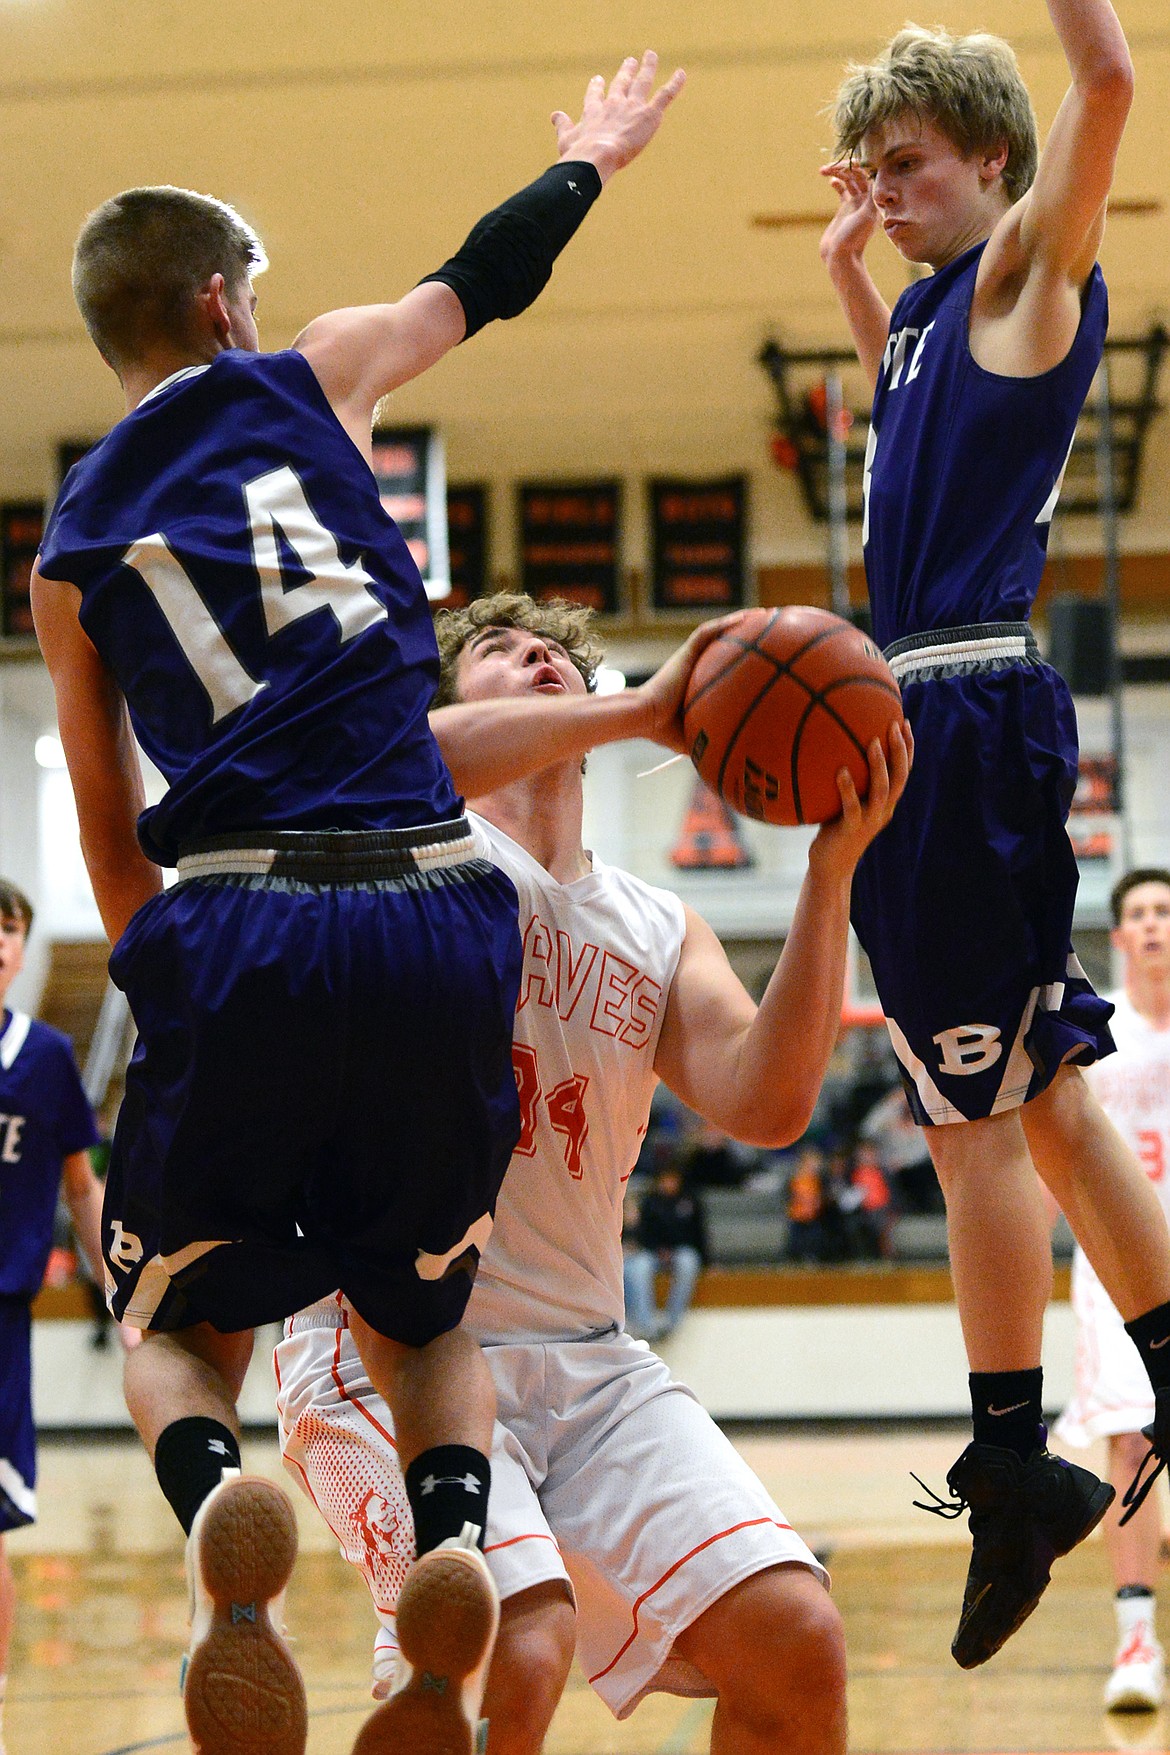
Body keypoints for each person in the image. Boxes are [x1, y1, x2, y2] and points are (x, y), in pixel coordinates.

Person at [29, 55, 689, 1755]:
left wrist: (184, 960)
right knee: (425, 1315)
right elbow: (482, 275)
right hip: (431, 895)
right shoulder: (315, 376)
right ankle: (456, 1541)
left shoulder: (70, 550)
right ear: (225, 299)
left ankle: (210, 1511)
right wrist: (594, 164)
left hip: (242, 913)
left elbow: (109, 839)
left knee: (176, 1318)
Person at [273, 591, 911, 1755]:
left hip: (588, 1361)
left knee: (795, 1640)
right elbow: (413, 752)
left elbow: (768, 1103)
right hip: (389, 1346)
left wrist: (833, 873)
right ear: (460, 700)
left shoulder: (659, 926)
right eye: (505, 657)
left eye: (558, 653)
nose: (539, 661)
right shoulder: (412, 838)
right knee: (515, 1650)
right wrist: (647, 708)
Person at [818, 0, 1170, 1671]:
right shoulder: (922, 316)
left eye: (910, 167)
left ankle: (1017, 1453)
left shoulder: (1031, 279)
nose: (882, 193)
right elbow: (906, 380)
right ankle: (1092, 1408)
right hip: (932, 723)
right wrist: (850, 283)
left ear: (999, 170)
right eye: (872, 170)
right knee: (1041, 1097)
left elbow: (1106, 79)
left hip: (957, 719)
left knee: (979, 1129)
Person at [1056, 870, 1170, 1711]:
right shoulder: (1094, 1031)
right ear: (1120, 936)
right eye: (1139, 913)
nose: (1155, 924)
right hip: (1116, 1258)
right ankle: (1137, 1642)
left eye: (1166, 911)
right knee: (1131, 1442)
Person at [0, 880, 104, 1755]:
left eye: (10, 927)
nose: (0, 942)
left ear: (25, 945)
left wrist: (120, 1289)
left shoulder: (48, 1057)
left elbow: (80, 1184)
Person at [622, 1159, 708, 1340]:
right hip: (652, 1251)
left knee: (688, 1262)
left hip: (681, 1250)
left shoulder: (691, 1200)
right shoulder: (649, 1202)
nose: (669, 1184)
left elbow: (699, 1234)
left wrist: (709, 1262)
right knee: (637, 1267)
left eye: (672, 1180)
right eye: (665, 1180)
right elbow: (643, 1234)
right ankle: (645, 1324)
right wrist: (657, 1249)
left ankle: (671, 1321)